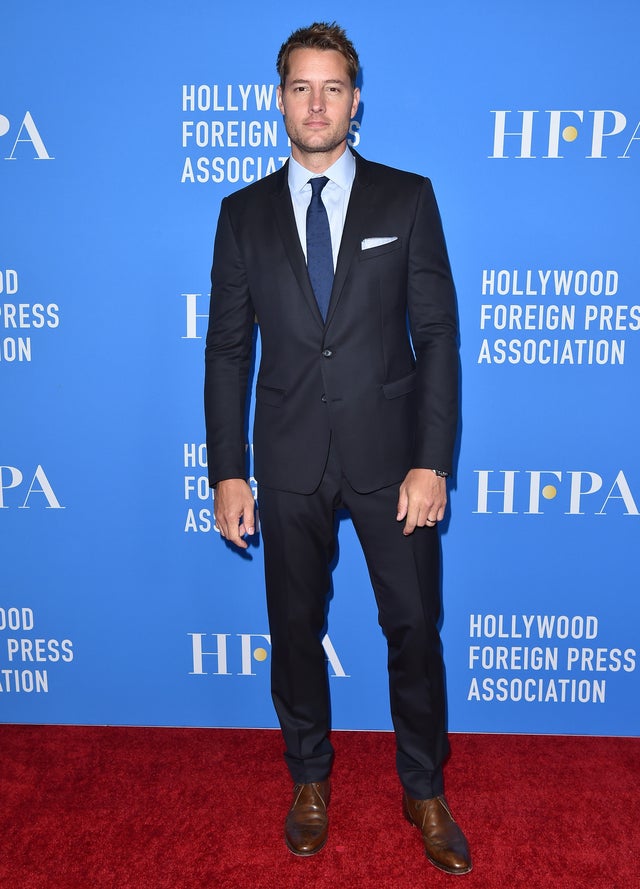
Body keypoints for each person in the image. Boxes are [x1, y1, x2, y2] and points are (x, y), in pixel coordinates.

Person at [204, 21, 471, 875]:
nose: (316, 104)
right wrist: (228, 470)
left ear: (356, 102)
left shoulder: (408, 198)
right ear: (278, 98)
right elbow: (227, 349)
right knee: (293, 630)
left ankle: (423, 786)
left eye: (332, 88)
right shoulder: (240, 213)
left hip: (394, 462)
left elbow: (436, 335)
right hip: (283, 460)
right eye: (300, 87)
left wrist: (432, 459)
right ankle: (309, 778)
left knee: (413, 629)